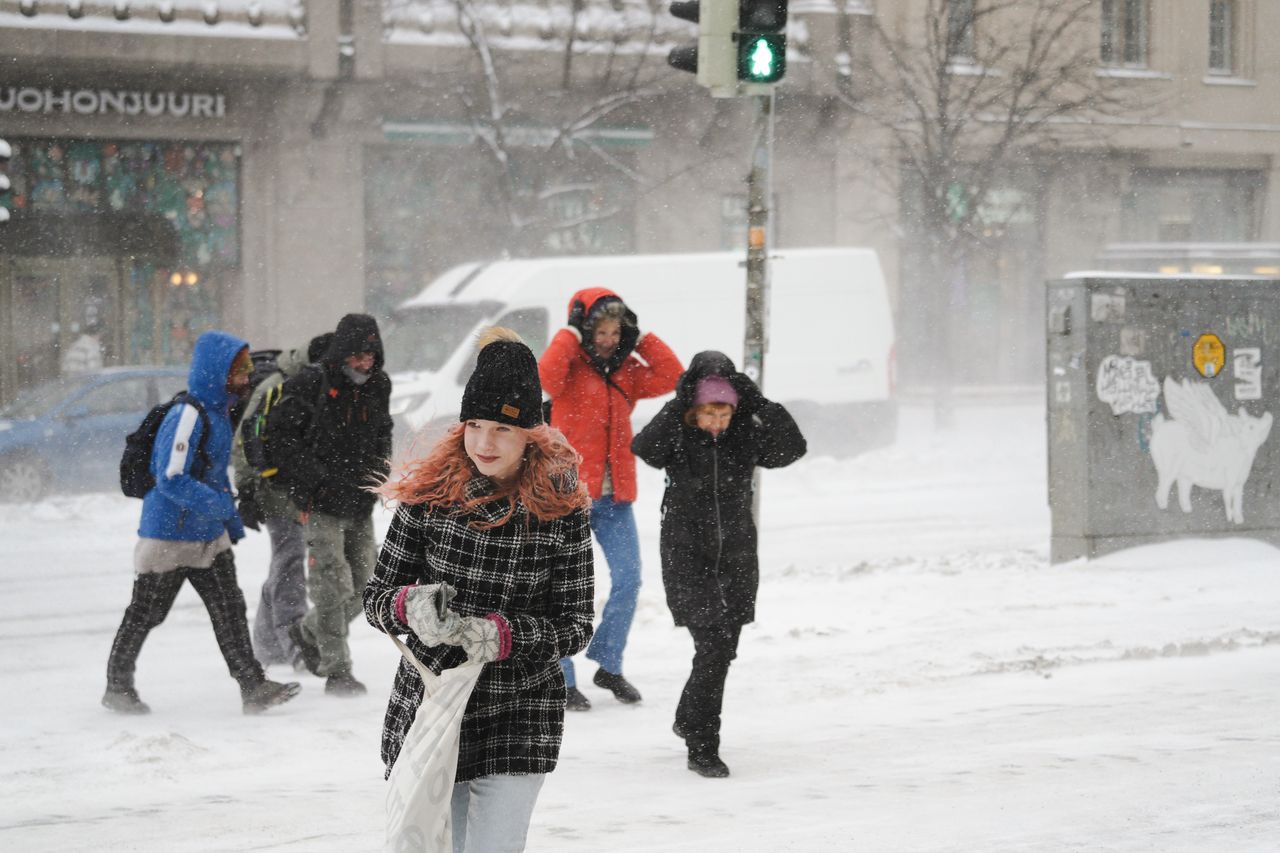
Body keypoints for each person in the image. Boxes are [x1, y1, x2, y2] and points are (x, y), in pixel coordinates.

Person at [365, 327, 594, 853]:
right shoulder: (429, 496)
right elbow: (377, 596)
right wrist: (410, 607)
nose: (484, 444)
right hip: (434, 702)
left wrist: (502, 635)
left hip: (519, 708)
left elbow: (576, 625)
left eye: (502, 431)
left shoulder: (561, 510)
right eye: (475, 426)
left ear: (530, 435)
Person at [102, 330, 301, 715]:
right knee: (146, 614)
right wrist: (217, 507)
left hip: (207, 537)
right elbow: (171, 476)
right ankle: (117, 686)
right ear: (219, 373)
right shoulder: (187, 415)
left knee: (229, 611)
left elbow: (212, 474)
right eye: (240, 370)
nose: (247, 377)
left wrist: (229, 521)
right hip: (169, 537)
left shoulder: (219, 413)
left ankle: (253, 685)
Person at [631, 350, 807, 777]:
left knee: (722, 650)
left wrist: (761, 403)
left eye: (724, 412)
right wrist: (679, 401)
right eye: (708, 412)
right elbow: (644, 447)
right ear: (694, 408)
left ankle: (690, 716)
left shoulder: (745, 434)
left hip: (737, 558)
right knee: (711, 648)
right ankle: (703, 745)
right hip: (686, 555)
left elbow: (792, 448)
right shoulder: (677, 433)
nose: (716, 422)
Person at [538, 288, 683, 710]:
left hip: (616, 497)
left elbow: (675, 376)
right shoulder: (567, 368)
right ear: (584, 328)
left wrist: (640, 340)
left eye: (615, 331)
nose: (608, 339)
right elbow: (545, 378)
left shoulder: (627, 372)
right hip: (565, 498)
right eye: (599, 330)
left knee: (629, 579)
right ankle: (561, 677)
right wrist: (568, 334)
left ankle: (608, 663)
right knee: (562, 589)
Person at [267, 314, 393, 696]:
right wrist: (317, 482)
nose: (365, 363)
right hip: (320, 504)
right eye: (357, 356)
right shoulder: (310, 383)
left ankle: (307, 631)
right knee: (330, 586)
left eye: (370, 355)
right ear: (342, 355)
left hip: (360, 501)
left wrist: (378, 475)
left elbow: (382, 432)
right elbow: (280, 438)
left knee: (368, 587)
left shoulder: (379, 385)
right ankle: (338, 670)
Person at [233, 332, 332, 669]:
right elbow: (245, 439)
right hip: (275, 490)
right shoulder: (278, 385)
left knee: (284, 564)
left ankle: (266, 646)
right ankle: (295, 649)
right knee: (290, 564)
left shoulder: (323, 383)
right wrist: (246, 490)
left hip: (304, 490)